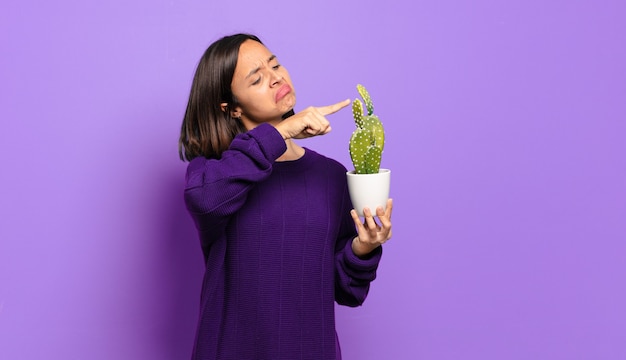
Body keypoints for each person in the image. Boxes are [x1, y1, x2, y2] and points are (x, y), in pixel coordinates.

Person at [178, 33, 393, 360]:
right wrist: (282, 132)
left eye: (275, 64)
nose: (276, 77)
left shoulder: (330, 176)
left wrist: (363, 247)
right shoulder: (213, 173)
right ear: (231, 108)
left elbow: (344, 290)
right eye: (257, 79)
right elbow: (203, 199)